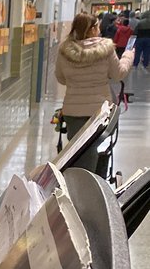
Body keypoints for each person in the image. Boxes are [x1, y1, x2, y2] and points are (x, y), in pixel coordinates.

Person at [55, 12, 133, 174]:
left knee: (76, 150)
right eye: (97, 26)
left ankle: (75, 179)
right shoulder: (106, 49)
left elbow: (61, 78)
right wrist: (128, 56)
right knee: (90, 149)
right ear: (91, 29)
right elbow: (118, 74)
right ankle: (88, 181)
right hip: (100, 112)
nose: (99, 29)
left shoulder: (64, 50)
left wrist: (77, 81)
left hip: (72, 111)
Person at [132, 5, 150, 70]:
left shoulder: (140, 22)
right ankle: (145, 64)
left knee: (138, 52)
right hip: (148, 39)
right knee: (147, 52)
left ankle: (135, 64)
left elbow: (135, 31)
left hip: (140, 38)